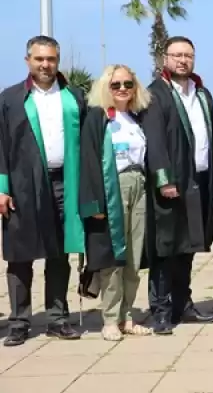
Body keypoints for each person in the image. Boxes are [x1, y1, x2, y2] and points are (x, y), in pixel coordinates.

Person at [0, 36, 85, 346]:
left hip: (66, 183)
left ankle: (57, 318)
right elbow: (1, 147)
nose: (45, 65)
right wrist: (2, 188)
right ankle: (19, 322)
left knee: (59, 254)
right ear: (28, 61)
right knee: (20, 255)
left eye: (51, 59)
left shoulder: (74, 96)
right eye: (39, 59)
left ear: (57, 61)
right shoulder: (10, 99)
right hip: (23, 186)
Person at [142, 36, 213, 334]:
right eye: (177, 55)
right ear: (165, 59)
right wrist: (164, 179)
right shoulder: (155, 94)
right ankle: (160, 310)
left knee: (188, 246)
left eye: (188, 55)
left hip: (198, 181)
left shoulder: (202, 94)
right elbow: (155, 141)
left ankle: (181, 304)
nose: (183, 60)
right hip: (171, 184)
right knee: (165, 248)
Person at [80, 65, 153, 340]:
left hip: (139, 186)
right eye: (116, 85)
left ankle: (127, 316)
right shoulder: (98, 118)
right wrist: (95, 204)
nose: (122, 89)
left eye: (127, 84)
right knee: (113, 256)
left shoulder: (136, 118)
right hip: (113, 187)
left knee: (134, 257)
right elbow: (88, 162)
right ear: (106, 88)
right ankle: (110, 318)